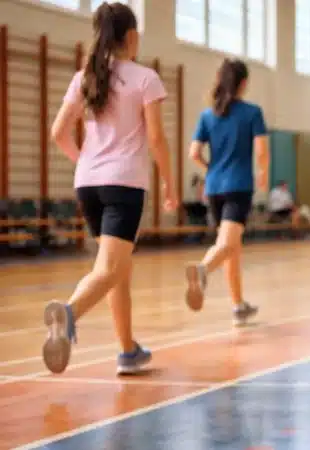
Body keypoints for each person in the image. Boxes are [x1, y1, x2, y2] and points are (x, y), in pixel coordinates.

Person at [45, 2, 177, 375]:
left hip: (88, 184)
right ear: (132, 37)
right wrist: (169, 181)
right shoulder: (145, 78)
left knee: (118, 268)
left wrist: (85, 164)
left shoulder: (84, 77)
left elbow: (59, 132)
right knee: (110, 269)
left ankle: (127, 350)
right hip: (124, 185)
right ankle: (68, 314)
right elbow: (156, 138)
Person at [184, 58, 269, 326]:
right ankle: (202, 271)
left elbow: (194, 153)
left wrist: (211, 169)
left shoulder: (208, 116)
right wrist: (263, 173)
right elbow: (262, 151)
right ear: (243, 83)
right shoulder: (252, 113)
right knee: (228, 245)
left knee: (232, 247)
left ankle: (238, 305)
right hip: (238, 186)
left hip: (214, 188)